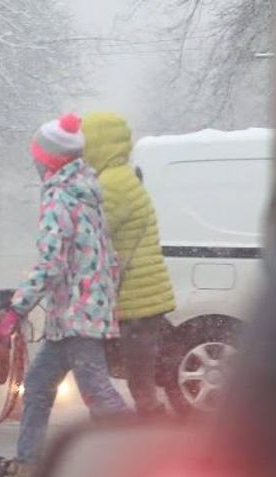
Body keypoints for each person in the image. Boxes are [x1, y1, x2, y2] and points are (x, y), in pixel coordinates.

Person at [0, 112, 128, 477]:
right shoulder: (86, 193)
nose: (36, 164)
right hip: (79, 310)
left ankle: (139, 465)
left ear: (51, 160)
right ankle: (27, 474)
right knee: (40, 387)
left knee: (95, 391)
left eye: (38, 157)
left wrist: (16, 310)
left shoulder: (60, 198)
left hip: (77, 314)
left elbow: (49, 265)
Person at [82, 112, 176, 417]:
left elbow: (92, 233)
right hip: (139, 298)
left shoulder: (112, 183)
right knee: (139, 381)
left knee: (137, 384)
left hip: (134, 300)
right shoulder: (120, 176)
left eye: (87, 141)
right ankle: (150, 437)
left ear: (101, 143)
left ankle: (150, 445)